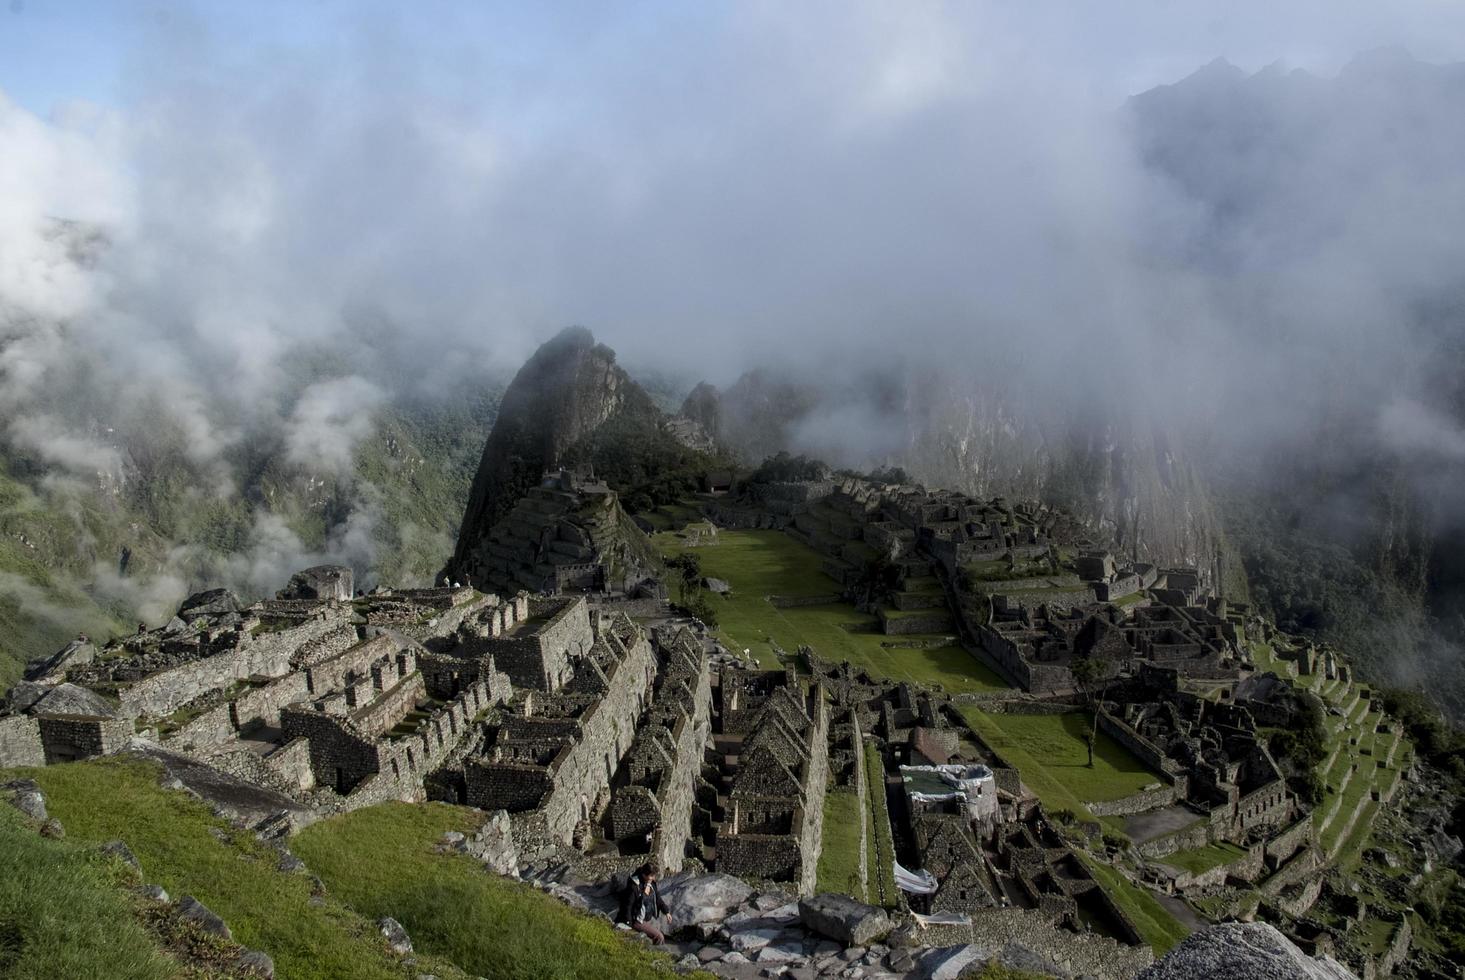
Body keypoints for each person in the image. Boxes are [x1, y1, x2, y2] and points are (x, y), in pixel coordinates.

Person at [616, 861, 671, 944]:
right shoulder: (634, 886)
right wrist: (628, 925)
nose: (653, 878)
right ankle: (655, 953)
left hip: (646, 916)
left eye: (654, 876)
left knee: (659, 933)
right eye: (651, 876)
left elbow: (658, 898)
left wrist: (666, 912)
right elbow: (628, 906)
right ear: (644, 875)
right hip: (636, 919)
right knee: (659, 937)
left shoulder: (651, 883)